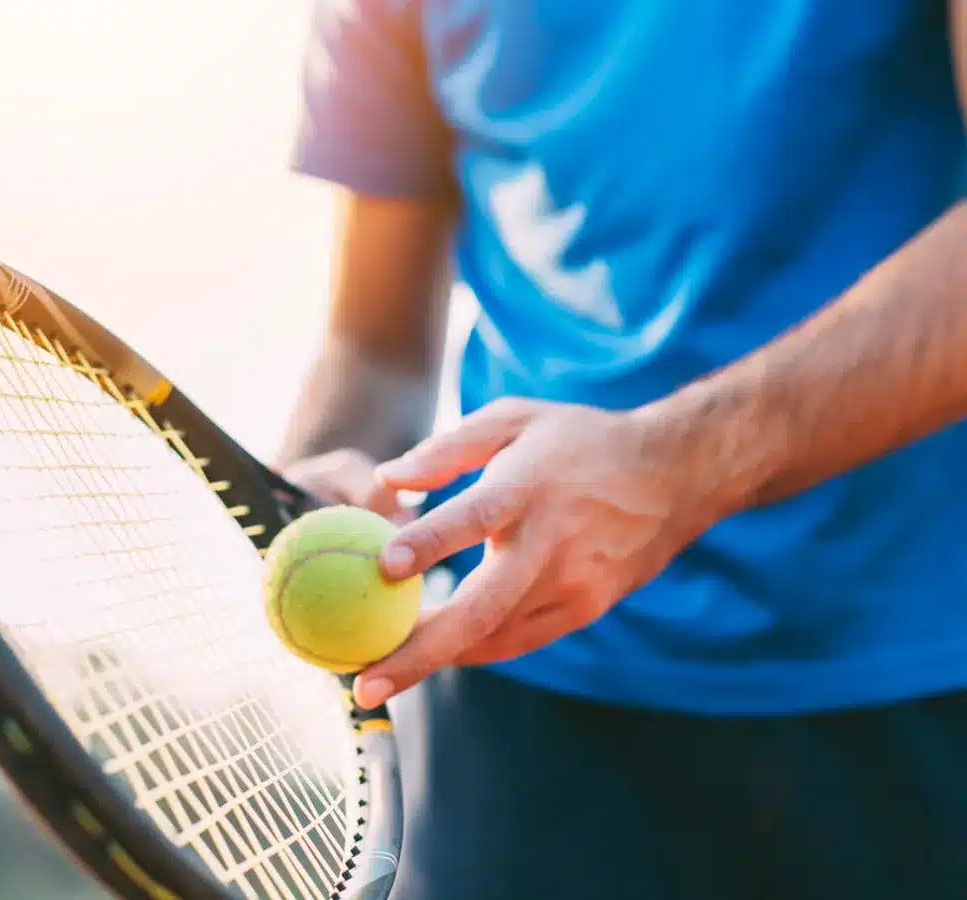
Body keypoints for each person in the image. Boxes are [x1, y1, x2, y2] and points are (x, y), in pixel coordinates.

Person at [276, 3, 967, 898]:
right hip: (520, 717)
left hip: (914, 690)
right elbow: (374, 346)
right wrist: (329, 471)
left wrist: (671, 464)